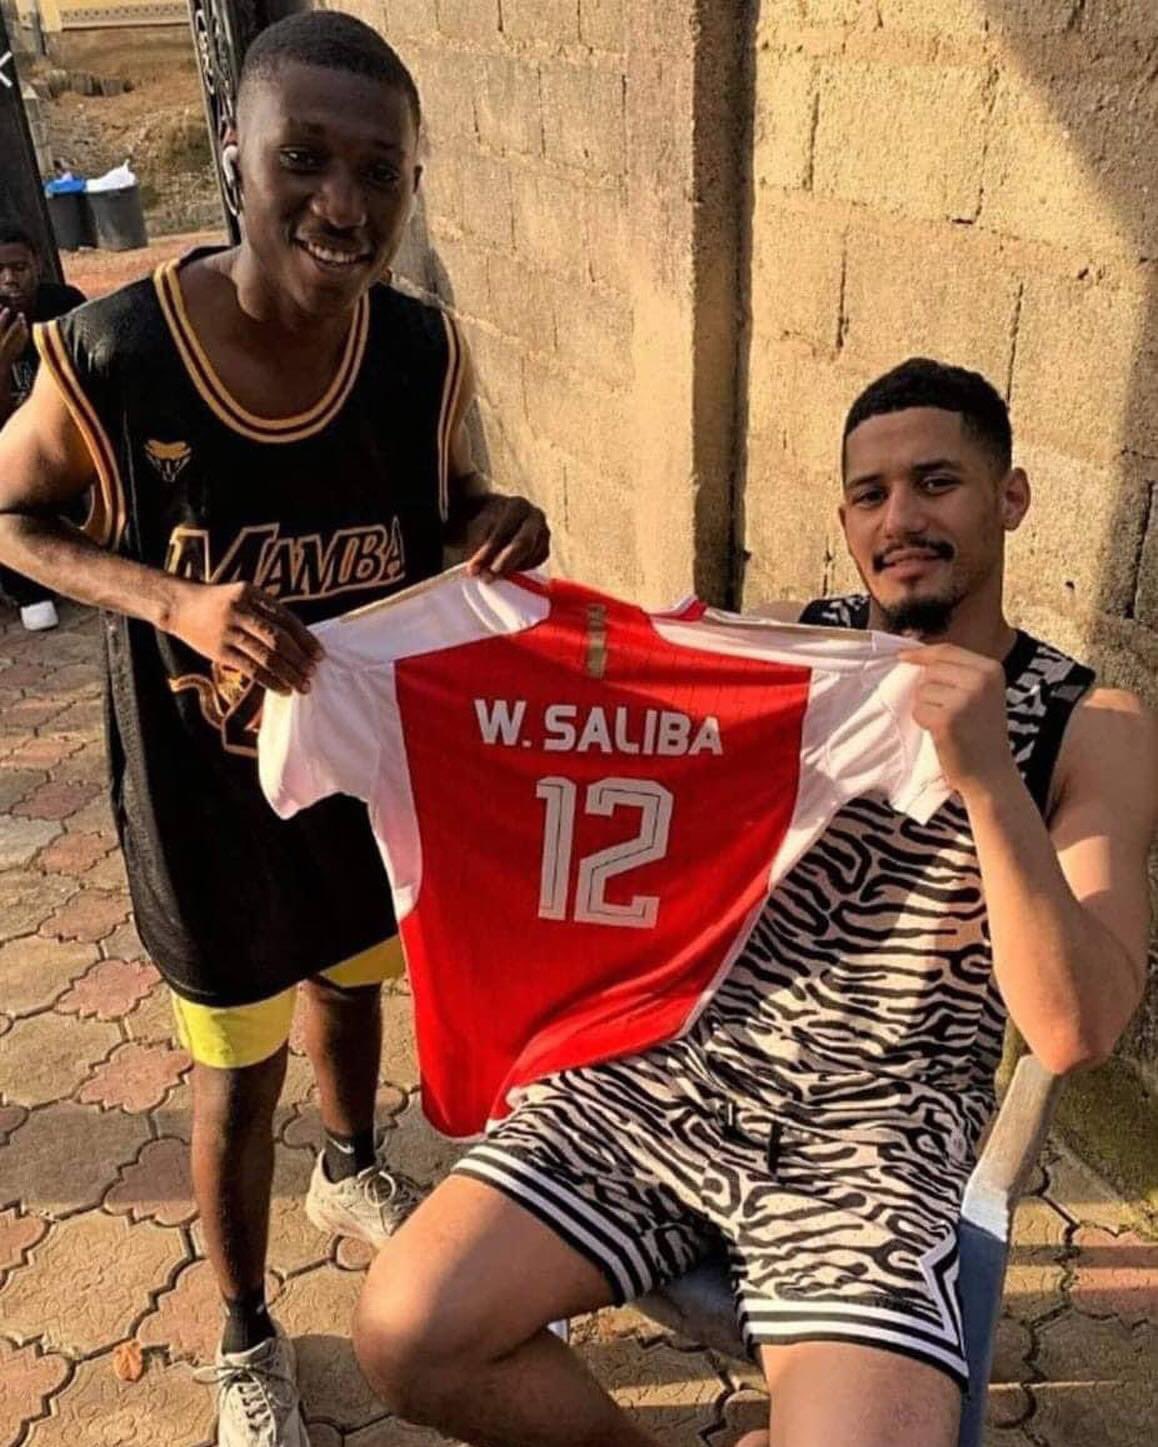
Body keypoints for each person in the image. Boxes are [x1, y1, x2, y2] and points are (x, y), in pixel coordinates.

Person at [349, 358, 1157, 1447]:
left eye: (937, 483)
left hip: (878, 1133)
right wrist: (397, 646)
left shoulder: (1089, 722)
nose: (900, 518)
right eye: (870, 495)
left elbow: (1076, 1027)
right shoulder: (781, 644)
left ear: (1010, 497)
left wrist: (988, 780)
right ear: (845, 519)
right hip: (669, 1071)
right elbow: (570, 698)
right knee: (405, 1330)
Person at [0, 13, 548, 1447]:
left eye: (381, 170)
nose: (343, 203)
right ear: (233, 152)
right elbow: (11, 517)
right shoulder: (114, 353)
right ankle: (245, 1328)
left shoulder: (421, 354)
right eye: (304, 158)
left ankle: (351, 1163)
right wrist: (171, 601)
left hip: (363, 777)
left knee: (356, 988)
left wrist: (493, 523)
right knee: (236, 1072)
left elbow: (450, 510)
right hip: (203, 797)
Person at [0, 218, 85, 630]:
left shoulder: (64, 306)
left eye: (19, 267)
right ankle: (28, 589)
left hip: (60, 439)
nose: (9, 280)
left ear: (38, 265)